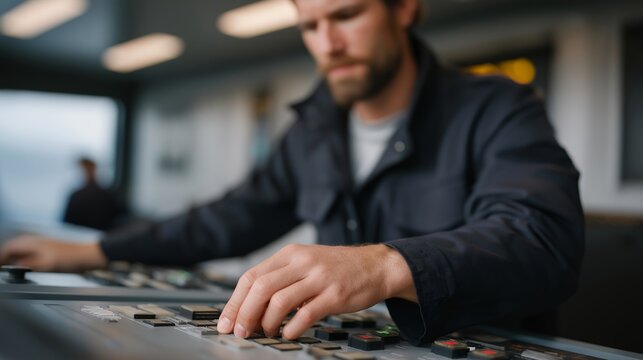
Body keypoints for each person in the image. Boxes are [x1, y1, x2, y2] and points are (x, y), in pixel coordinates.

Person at [0, 0, 584, 345]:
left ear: (404, 8)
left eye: (347, 14)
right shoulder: (314, 127)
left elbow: (542, 238)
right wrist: (98, 251)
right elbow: (231, 218)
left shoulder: (498, 106)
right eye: (309, 24)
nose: (327, 43)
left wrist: (386, 264)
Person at [62, 157, 121, 231]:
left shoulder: (77, 196)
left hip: (80, 237)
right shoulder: (109, 194)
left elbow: (68, 224)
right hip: (105, 237)